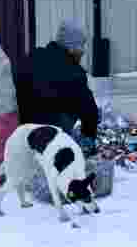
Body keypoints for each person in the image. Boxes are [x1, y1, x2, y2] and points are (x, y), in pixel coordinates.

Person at [16, 20, 100, 153]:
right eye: (81, 46)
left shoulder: (33, 57)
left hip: (21, 131)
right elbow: (90, 111)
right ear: (72, 47)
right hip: (50, 138)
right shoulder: (73, 72)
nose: (83, 52)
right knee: (72, 106)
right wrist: (88, 138)